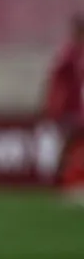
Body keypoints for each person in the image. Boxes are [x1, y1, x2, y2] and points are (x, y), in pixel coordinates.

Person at [44, 14, 84, 196]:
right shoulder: (69, 53)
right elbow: (58, 81)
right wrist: (56, 107)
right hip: (72, 110)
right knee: (68, 143)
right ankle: (60, 180)